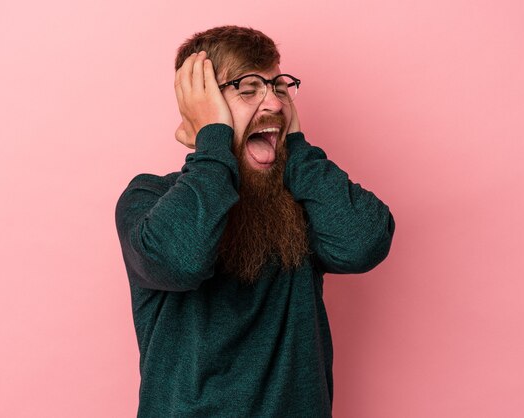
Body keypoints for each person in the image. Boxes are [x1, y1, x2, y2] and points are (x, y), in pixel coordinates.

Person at [115, 25, 395, 417]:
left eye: (279, 87)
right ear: (203, 105)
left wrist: (297, 149)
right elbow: (180, 260)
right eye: (248, 89)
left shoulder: (301, 200)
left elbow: (363, 244)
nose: (275, 105)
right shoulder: (148, 198)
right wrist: (213, 141)